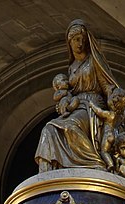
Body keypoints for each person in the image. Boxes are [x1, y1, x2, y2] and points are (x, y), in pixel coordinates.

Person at [35, 20, 117, 171]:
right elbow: (68, 91)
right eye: (76, 39)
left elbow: (106, 85)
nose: (80, 43)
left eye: (82, 39)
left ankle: (95, 162)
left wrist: (113, 98)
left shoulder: (93, 60)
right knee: (49, 129)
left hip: (92, 105)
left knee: (71, 126)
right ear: (69, 42)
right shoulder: (71, 67)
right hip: (77, 105)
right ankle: (45, 172)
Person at [89, 87, 125, 168]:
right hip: (115, 134)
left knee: (104, 151)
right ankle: (115, 164)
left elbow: (99, 112)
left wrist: (92, 105)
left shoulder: (110, 115)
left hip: (108, 135)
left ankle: (110, 164)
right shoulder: (121, 116)